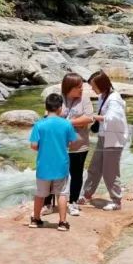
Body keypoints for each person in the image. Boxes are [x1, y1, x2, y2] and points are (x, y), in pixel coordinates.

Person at [80, 70, 128, 210]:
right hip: (103, 136)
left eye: (93, 86)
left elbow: (113, 118)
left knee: (110, 171)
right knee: (94, 167)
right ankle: (87, 194)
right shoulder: (103, 96)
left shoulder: (114, 99)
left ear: (101, 84)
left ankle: (116, 201)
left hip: (114, 139)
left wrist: (93, 117)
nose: (92, 89)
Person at [29, 93, 78, 230]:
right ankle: (62, 223)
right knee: (62, 193)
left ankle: (35, 219)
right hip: (61, 165)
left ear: (46, 107)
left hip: (43, 166)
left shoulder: (39, 125)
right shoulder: (66, 124)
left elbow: (33, 145)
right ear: (60, 108)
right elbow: (71, 142)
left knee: (40, 193)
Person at [61, 73, 95, 216]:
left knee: (76, 175)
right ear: (69, 87)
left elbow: (89, 118)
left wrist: (68, 122)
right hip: (60, 145)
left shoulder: (84, 99)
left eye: (82, 86)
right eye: (79, 87)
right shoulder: (59, 98)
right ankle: (49, 204)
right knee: (57, 175)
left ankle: (73, 202)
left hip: (79, 145)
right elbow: (48, 115)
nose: (82, 89)